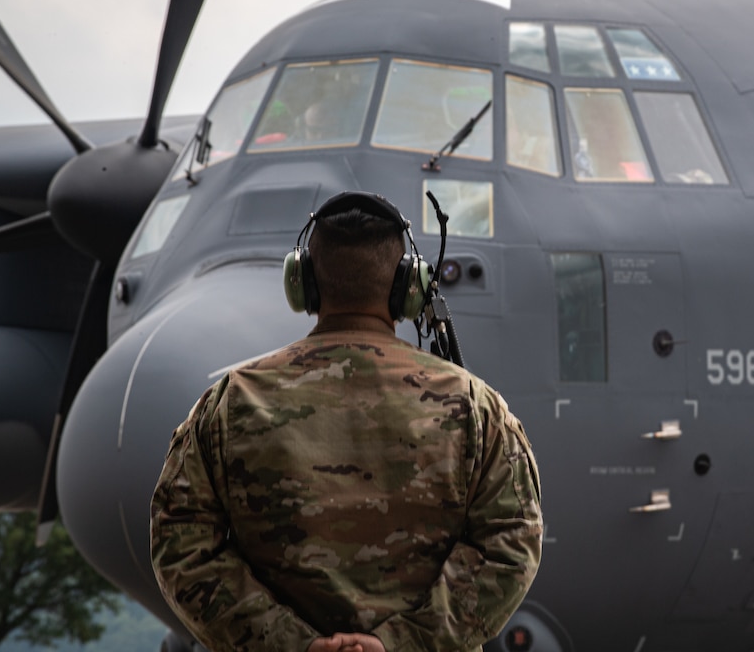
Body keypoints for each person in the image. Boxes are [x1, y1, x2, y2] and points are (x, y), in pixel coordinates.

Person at [150, 191, 542, 652]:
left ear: (302, 283)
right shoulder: (475, 408)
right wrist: (402, 643)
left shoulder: (232, 402)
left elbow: (180, 543)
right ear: (408, 288)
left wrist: (292, 645)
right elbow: (512, 544)